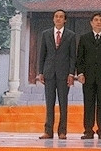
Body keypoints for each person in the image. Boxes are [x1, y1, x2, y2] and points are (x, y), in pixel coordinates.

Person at [76, 13, 101, 140]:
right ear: (91, 23)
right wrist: (80, 73)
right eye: (96, 20)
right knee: (88, 104)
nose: (98, 22)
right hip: (88, 77)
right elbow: (80, 58)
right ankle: (88, 130)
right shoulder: (84, 38)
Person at [37, 9, 76, 140]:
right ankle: (48, 131)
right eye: (56, 16)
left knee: (63, 103)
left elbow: (72, 57)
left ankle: (62, 131)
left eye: (61, 17)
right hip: (49, 73)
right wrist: (40, 72)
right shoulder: (46, 34)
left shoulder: (70, 35)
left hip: (64, 74)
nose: (58, 19)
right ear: (53, 19)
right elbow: (42, 54)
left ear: (65, 20)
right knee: (49, 103)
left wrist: (71, 74)